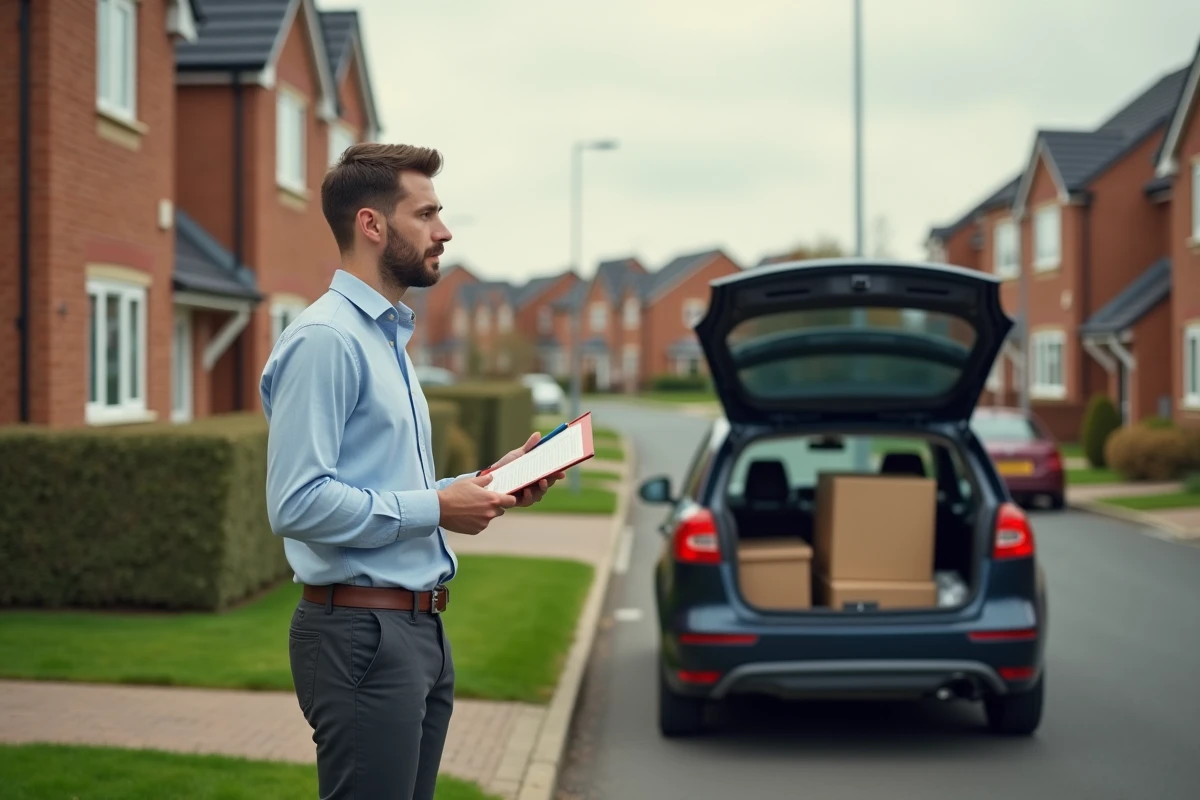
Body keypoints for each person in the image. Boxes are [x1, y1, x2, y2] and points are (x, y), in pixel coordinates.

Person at [260, 142, 565, 800]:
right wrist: (436, 509)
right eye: (427, 213)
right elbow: (296, 503)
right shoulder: (326, 340)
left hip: (418, 629)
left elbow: (381, 482)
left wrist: (485, 485)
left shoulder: (385, 337)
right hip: (362, 636)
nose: (445, 231)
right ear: (373, 225)